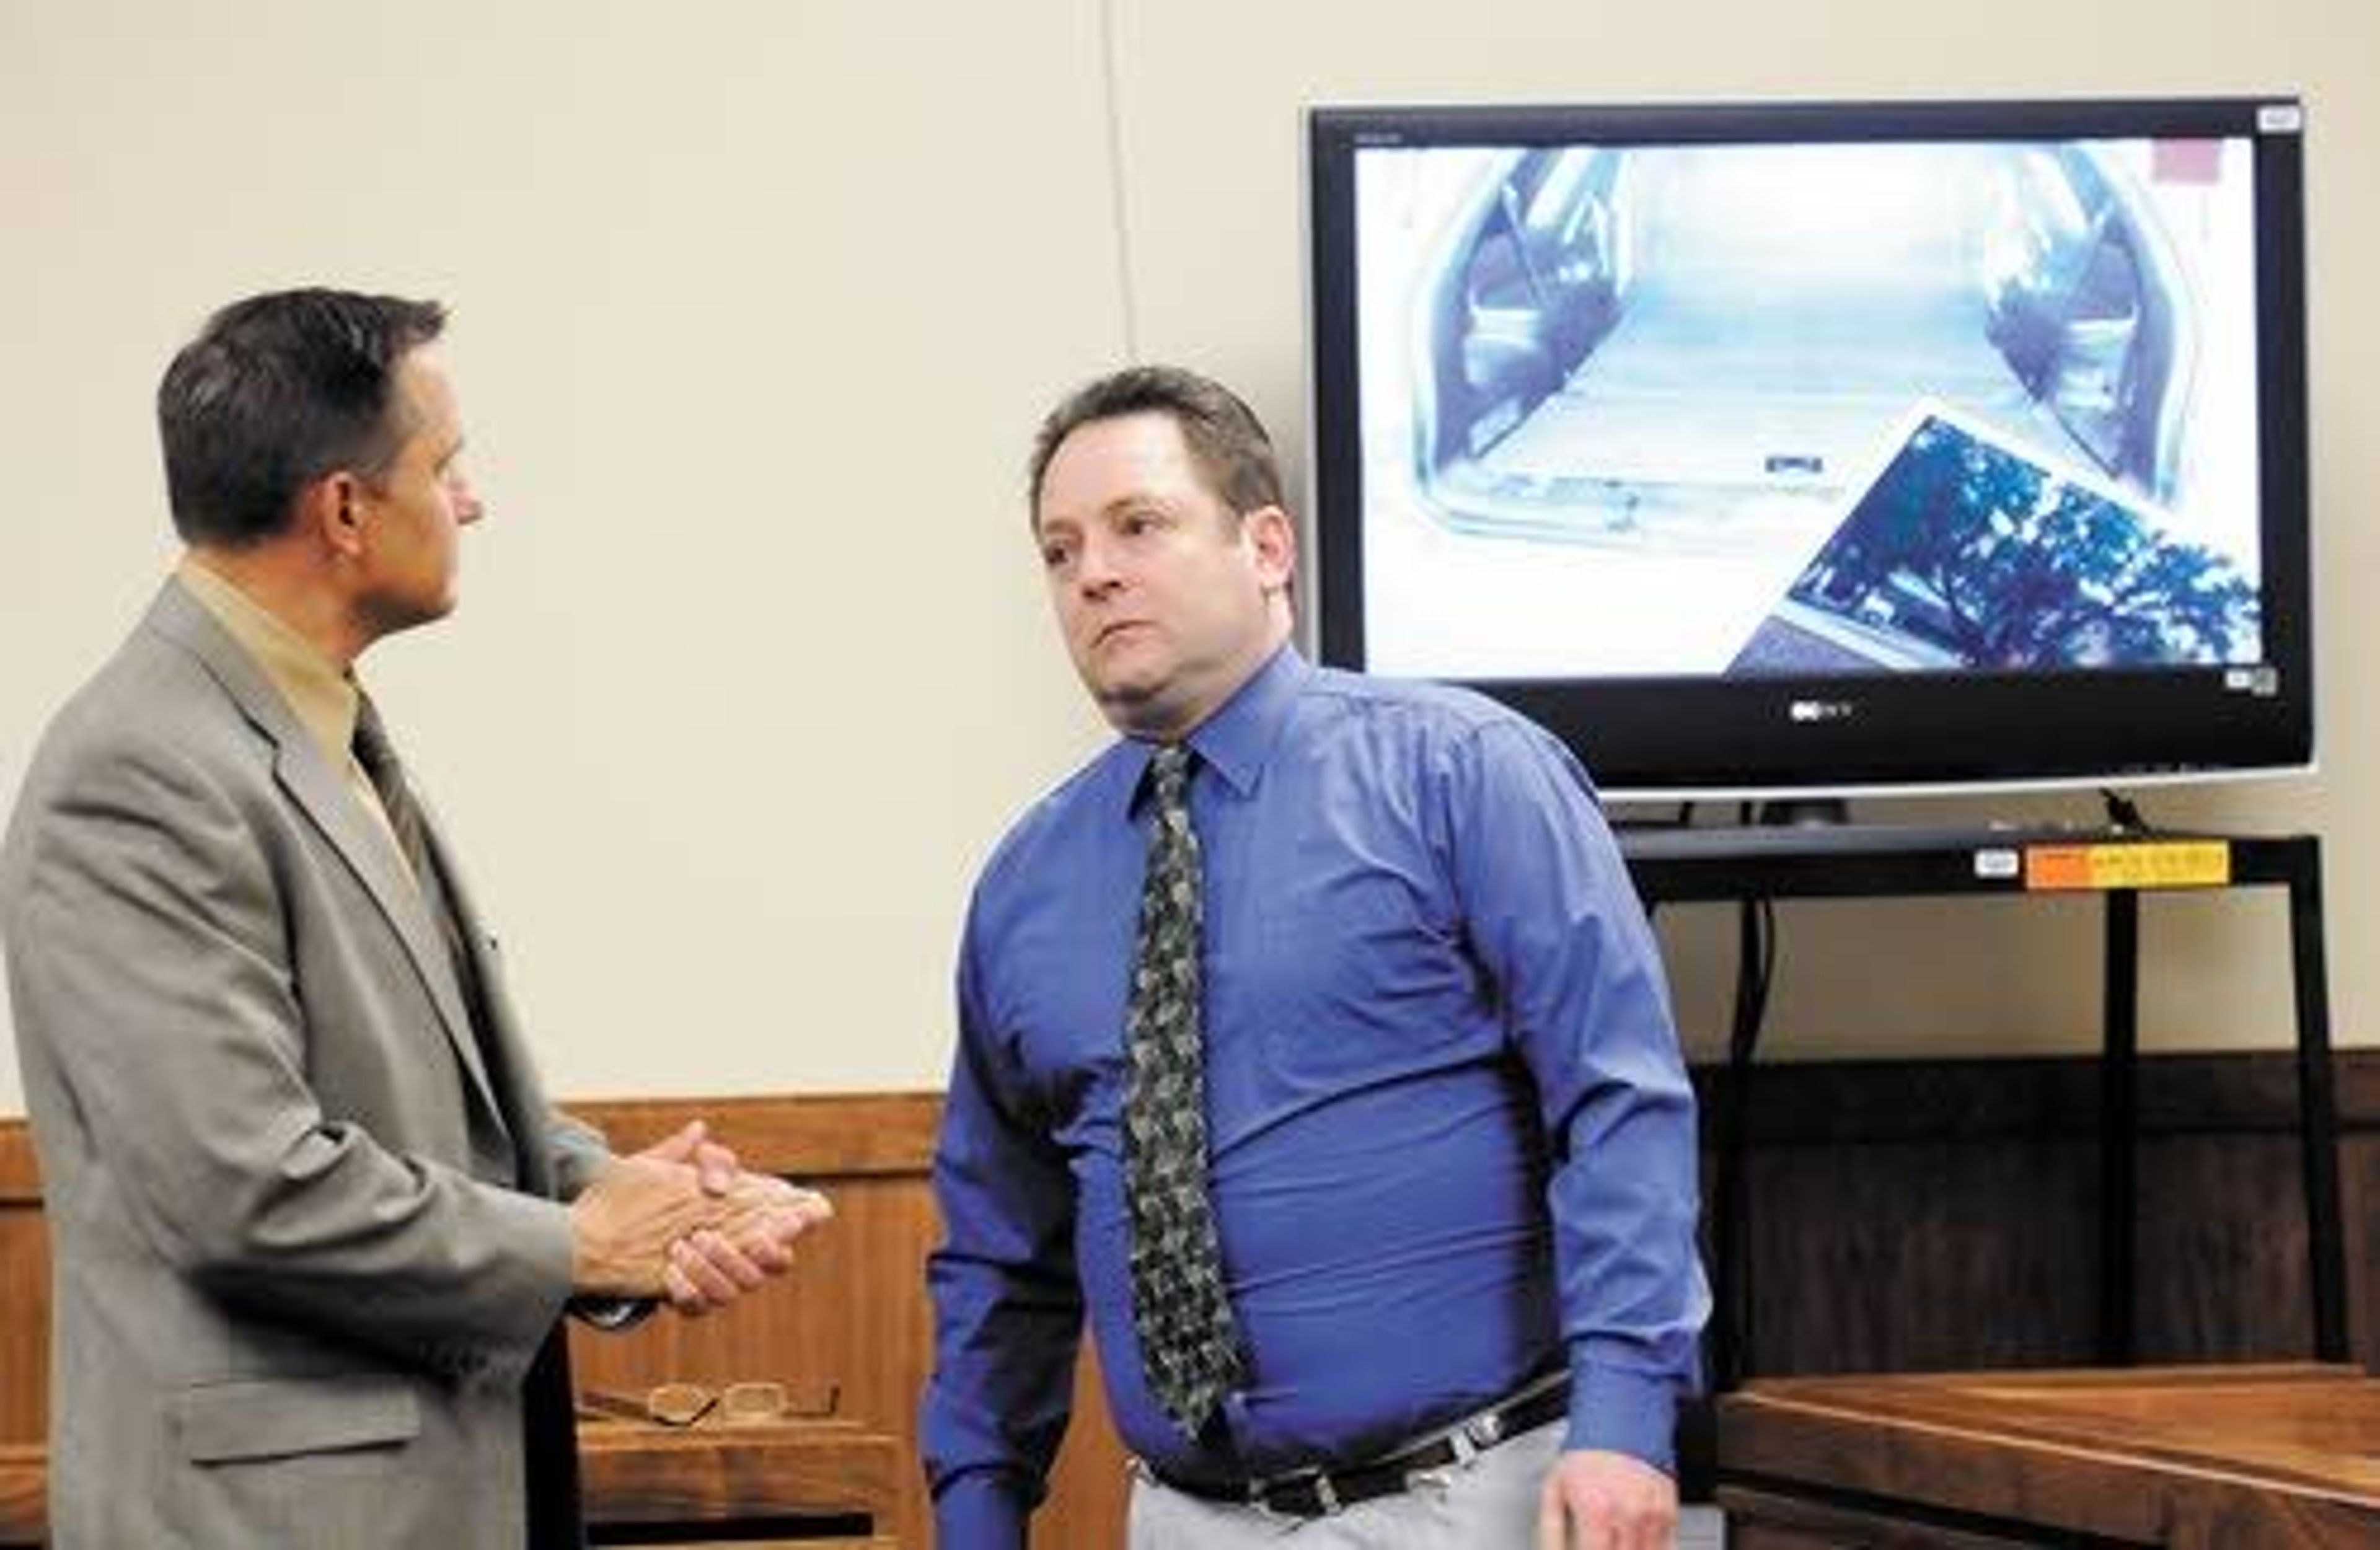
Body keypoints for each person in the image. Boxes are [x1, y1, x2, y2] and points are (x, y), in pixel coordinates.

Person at [0, 288, 832, 1548]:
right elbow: (243, 1188)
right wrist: (571, 1247)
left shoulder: (311, 724)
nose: (473, 501)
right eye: (446, 467)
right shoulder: (138, 769)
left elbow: (409, 1107)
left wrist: (617, 1197)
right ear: (344, 510)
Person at [922, 365, 1709, 1549]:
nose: (1095, 572)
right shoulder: (1024, 884)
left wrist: (1627, 1421)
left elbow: (1619, 1102)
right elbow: (1000, 1247)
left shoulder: (1463, 773)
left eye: (1140, 525)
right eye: (1060, 550)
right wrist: (979, 1514)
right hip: (1185, 1516)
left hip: (1488, 1496)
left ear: (1268, 546)